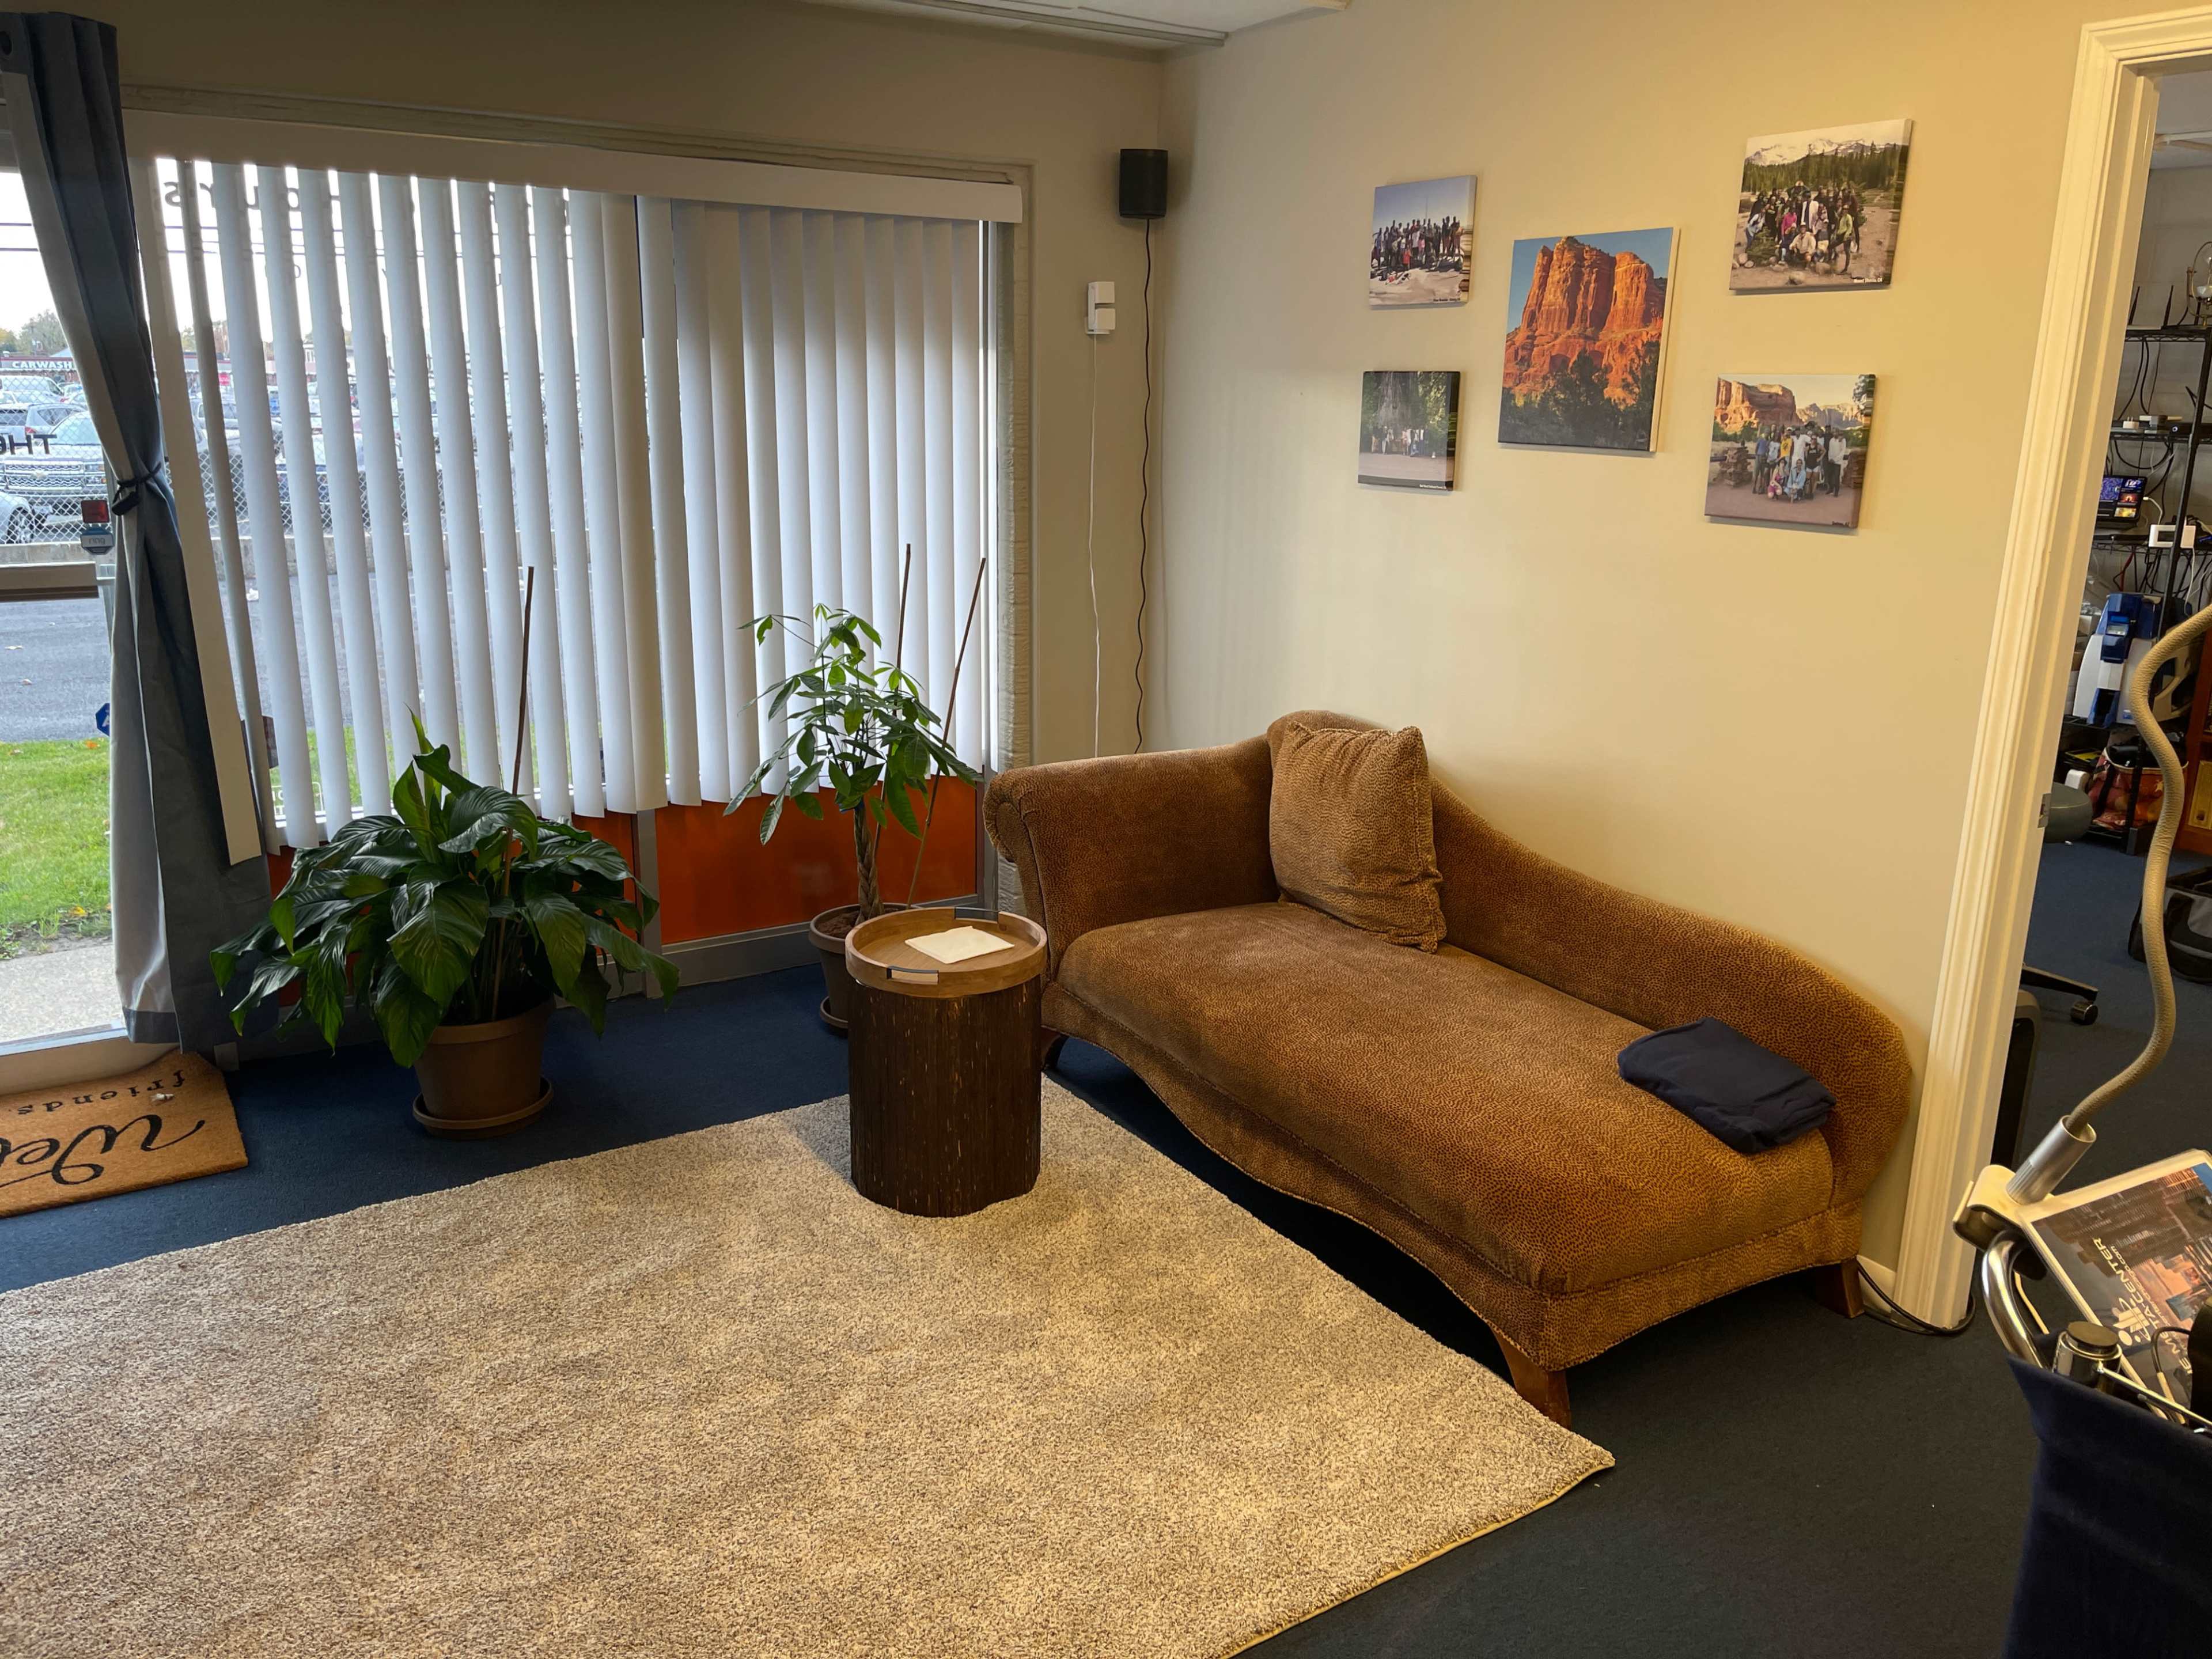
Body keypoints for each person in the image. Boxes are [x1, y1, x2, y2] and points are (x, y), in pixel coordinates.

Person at [1825, 429, 1850, 495]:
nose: (1834, 434)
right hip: (1831, 461)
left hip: (1838, 462)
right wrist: (1830, 459)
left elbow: (1842, 452)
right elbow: (1829, 450)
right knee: (1830, 476)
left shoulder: (1843, 440)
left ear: (1838, 433)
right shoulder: (1832, 440)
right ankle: (1830, 489)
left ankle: (1836, 492)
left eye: (1836, 432)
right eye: (1833, 433)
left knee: (1836, 477)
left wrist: (1835, 460)